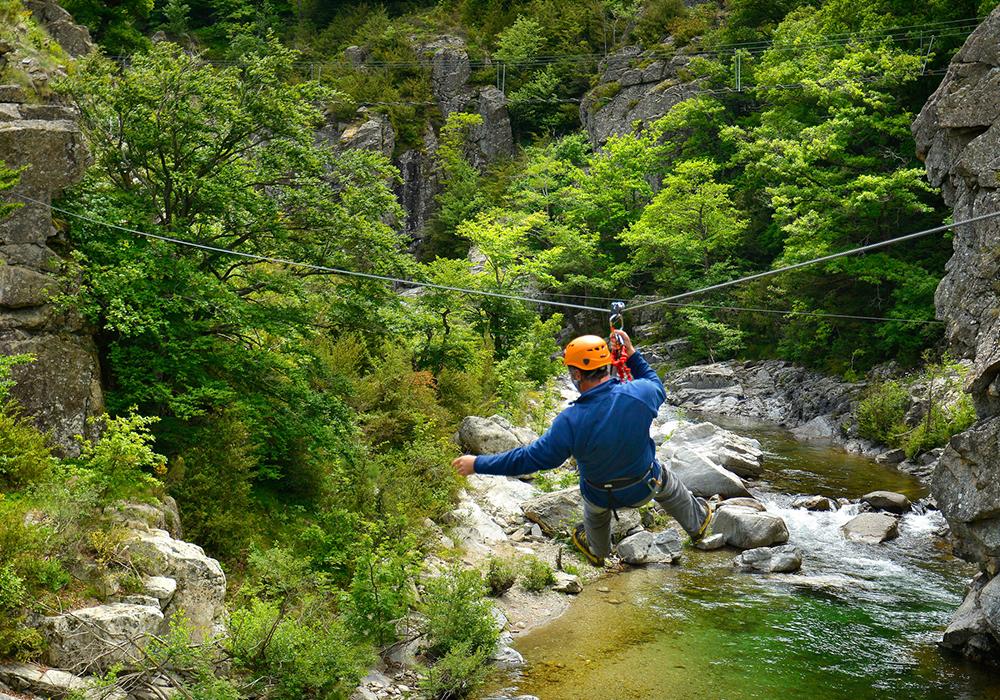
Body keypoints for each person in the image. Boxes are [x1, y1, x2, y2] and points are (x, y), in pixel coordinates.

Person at [451, 331, 712, 566]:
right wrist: (631, 354)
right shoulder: (640, 394)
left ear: (576, 375)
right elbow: (655, 383)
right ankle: (697, 525)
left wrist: (477, 464)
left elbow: (530, 459)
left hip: (600, 497)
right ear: (608, 365)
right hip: (643, 488)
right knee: (665, 478)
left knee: (594, 508)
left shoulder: (569, 421)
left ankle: (599, 552)